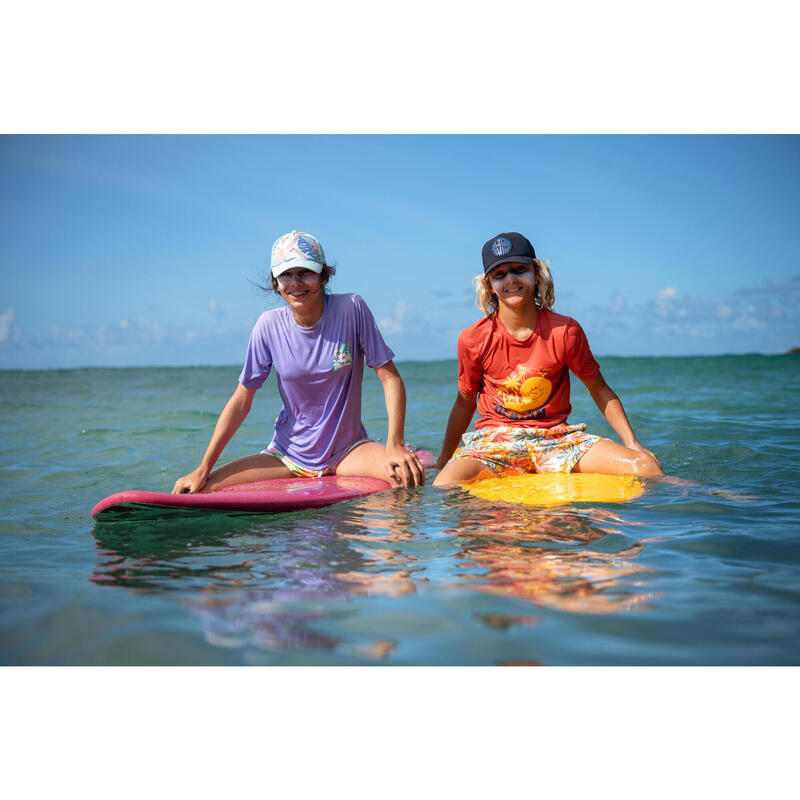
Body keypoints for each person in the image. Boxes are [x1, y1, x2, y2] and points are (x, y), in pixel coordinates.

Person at [173, 230, 425, 494]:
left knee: (406, 479)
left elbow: (390, 378)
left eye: (305, 273)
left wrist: (394, 444)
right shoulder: (267, 326)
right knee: (203, 487)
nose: (295, 283)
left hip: (349, 451)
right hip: (287, 456)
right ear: (275, 282)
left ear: (323, 276)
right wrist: (202, 468)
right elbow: (241, 401)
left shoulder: (351, 308)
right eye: (286, 275)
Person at [433, 232, 663, 488]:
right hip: (494, 443)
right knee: (444, 485)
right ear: (489, 285)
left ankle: (698, 500)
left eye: (520, 269)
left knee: (646, 467)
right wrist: (444, 458)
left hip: (556, 439)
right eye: (500, 274)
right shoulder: (473, 338)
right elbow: (465, 403)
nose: (510, 279)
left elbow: (599, 390)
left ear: (537, 273)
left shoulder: (565, 331)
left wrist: (633, 444)